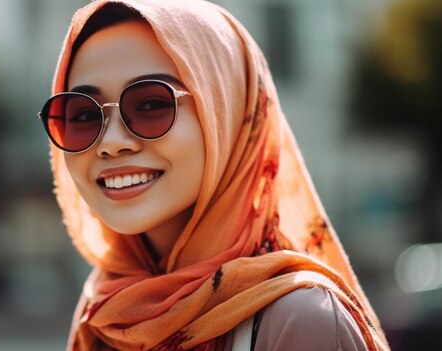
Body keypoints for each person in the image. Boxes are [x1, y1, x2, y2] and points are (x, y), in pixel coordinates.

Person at [38, 0, 390, 350]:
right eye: (83, 115)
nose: (111, 143)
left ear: (228, 115)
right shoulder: (106, 313)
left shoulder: (300, 321)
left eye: (151, 105)